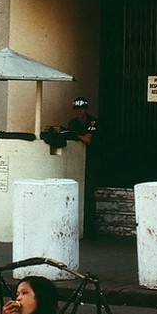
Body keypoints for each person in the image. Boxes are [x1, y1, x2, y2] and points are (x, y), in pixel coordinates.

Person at [66, 97, 99, 239]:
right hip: (77, 161)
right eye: (77, 109)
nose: (79, 112)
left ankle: (90, 229)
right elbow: (71, 135)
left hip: (92, 160)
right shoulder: (72, 122)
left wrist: (78, 135)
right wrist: (80, 136)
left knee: (89, 194)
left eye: (82, 108)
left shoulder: (93, 121)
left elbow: (88, 138)